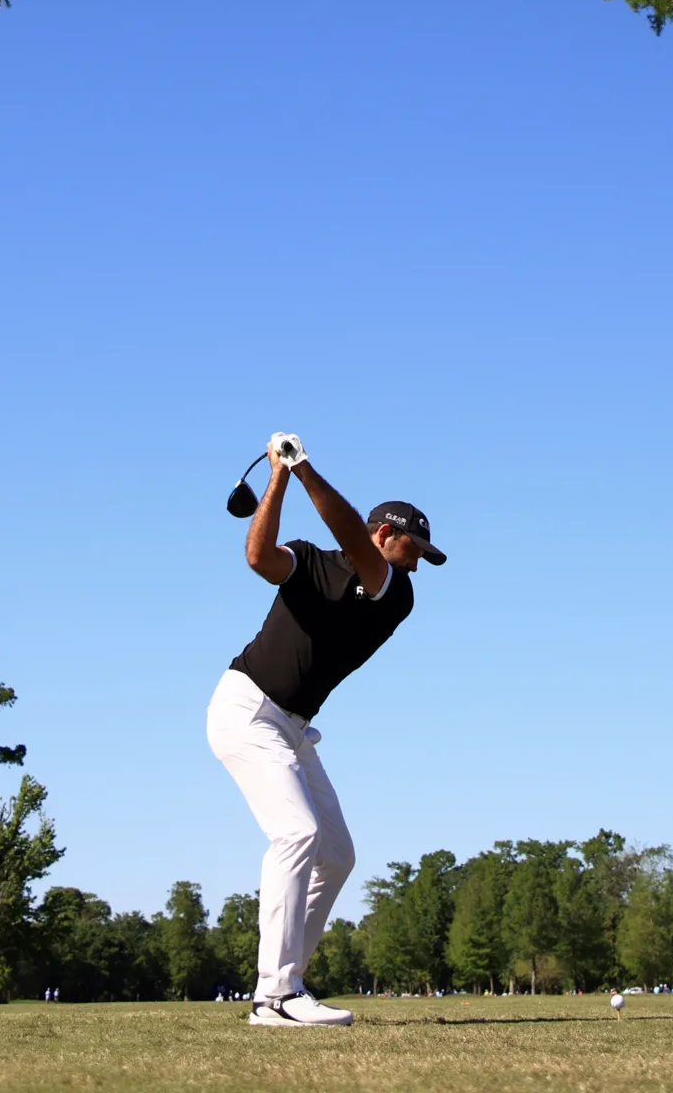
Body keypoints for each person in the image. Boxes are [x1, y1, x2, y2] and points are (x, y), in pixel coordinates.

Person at [209, 436, 442, 1029]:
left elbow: (346, 531)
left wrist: (302, 465)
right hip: (245, 708)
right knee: (297, 833)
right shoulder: (312, 562)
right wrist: (282, 477)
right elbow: (260, 559)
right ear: (385, 535)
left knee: (335, 854)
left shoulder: (395, 593)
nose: (416, 562)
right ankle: (275, 997)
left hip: (291, 728)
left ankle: (287, 983)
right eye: (413, 548)